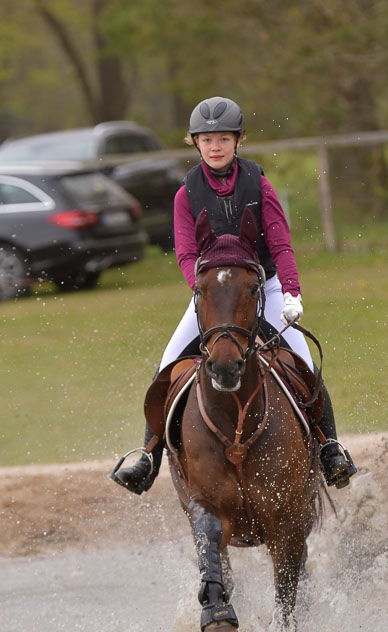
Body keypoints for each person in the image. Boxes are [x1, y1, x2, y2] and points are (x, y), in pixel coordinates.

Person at [111, 96, 355, 495]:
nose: (215, 147)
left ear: (239, 140)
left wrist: (291, 293)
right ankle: (148, 456)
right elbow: (186, 253)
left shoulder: (259, 183)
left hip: (263, 286)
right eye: (207, 140)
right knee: (167, 366)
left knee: (305, 366)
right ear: (195, 143)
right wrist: (204, 291)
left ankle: (330, 448)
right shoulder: (185, 193)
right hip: (211, 291)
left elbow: (281, 244)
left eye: (223, 138)